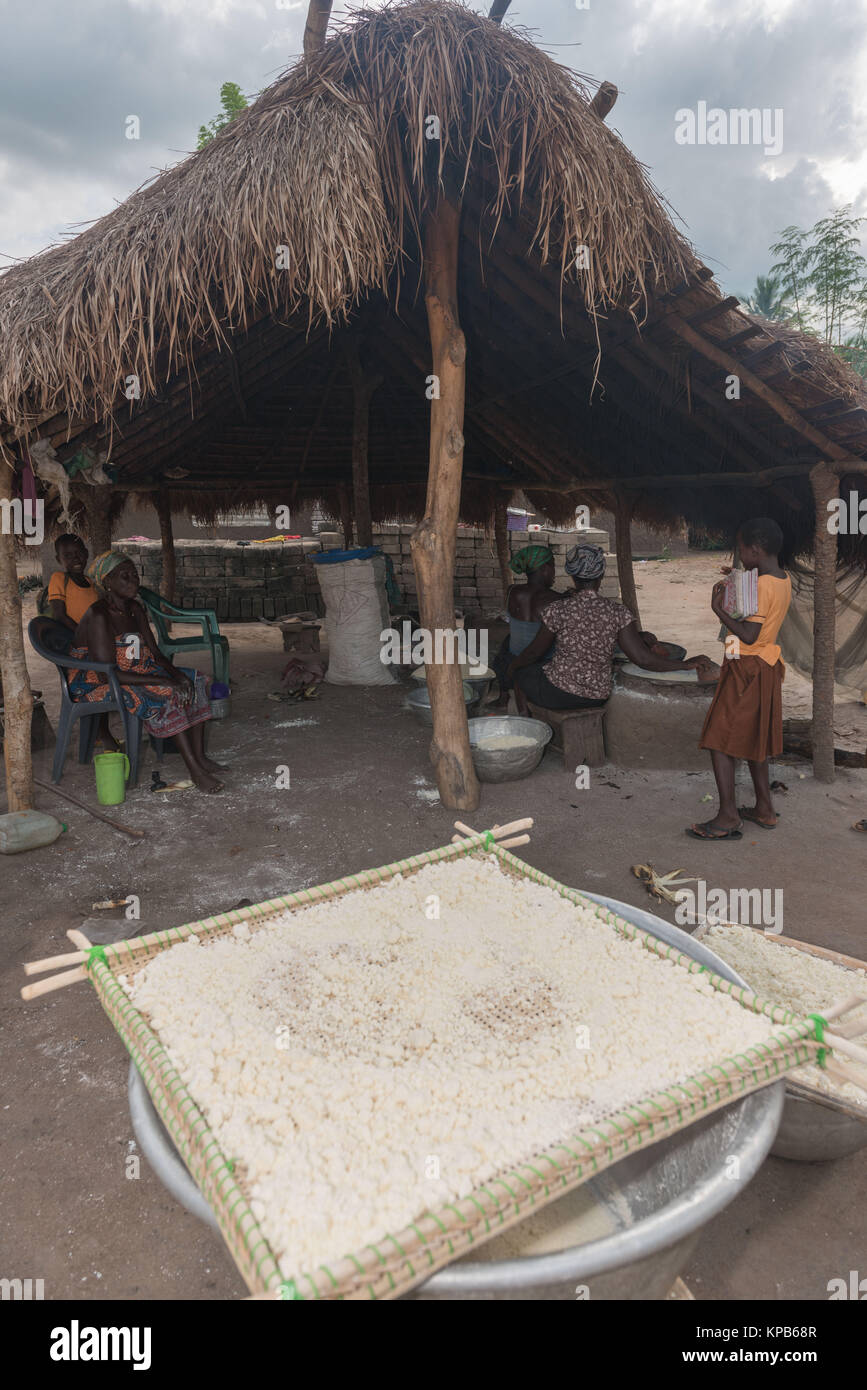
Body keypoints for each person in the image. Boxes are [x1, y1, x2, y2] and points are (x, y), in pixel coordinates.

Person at [68, 551, 226, 793]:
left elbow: (156, 653)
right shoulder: (99, 615)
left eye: (134, 574)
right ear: (107, 582)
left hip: (135, 671)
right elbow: (105, 673)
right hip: (96, 682)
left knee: (197, 680)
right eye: (124, 576)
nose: (133, 580)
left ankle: (200, 757)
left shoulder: (134, 609)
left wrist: (176, 674)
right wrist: (165, 681)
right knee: (166, 691)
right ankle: (195, 770)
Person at [508, 544, 713, 714]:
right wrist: (684, 665)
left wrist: (513, 665)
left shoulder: (557, 609)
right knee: (536, 670)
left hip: (559, 693)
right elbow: (643, 659)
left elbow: (535, 652)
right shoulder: (618, 612)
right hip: (596, 696)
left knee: (522, 674)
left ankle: (528, 725)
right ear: (601, 575)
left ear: (572, 576)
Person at [688, 518, 792, 840]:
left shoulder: (761, 586)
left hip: (747, 668)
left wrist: (718, 608)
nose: (739, 555)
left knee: (719, 740)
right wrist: (735, 586)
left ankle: (728, 816)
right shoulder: (780, 578)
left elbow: (748, 634)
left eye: (741, 550)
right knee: (754, 739)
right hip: (765, 665)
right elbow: (759, 616)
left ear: (755, 550)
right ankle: (764, 808)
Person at [490, 544, 563, 708]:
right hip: (541, 662)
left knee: (508, 642)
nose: (554, 573)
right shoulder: (557, 600)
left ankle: (503, 697)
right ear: (544, 568)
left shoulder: (512, 591)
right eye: (553, 566)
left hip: (512, 658)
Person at [47, 534, 98, 630]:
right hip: (73, 640)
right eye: (68, 555)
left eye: (79, 553)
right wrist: (83, 636)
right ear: (59, 559)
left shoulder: (91, 583)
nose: (76, 558)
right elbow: (59, 616)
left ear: (86, 554)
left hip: (91, 639)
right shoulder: (59, 579)